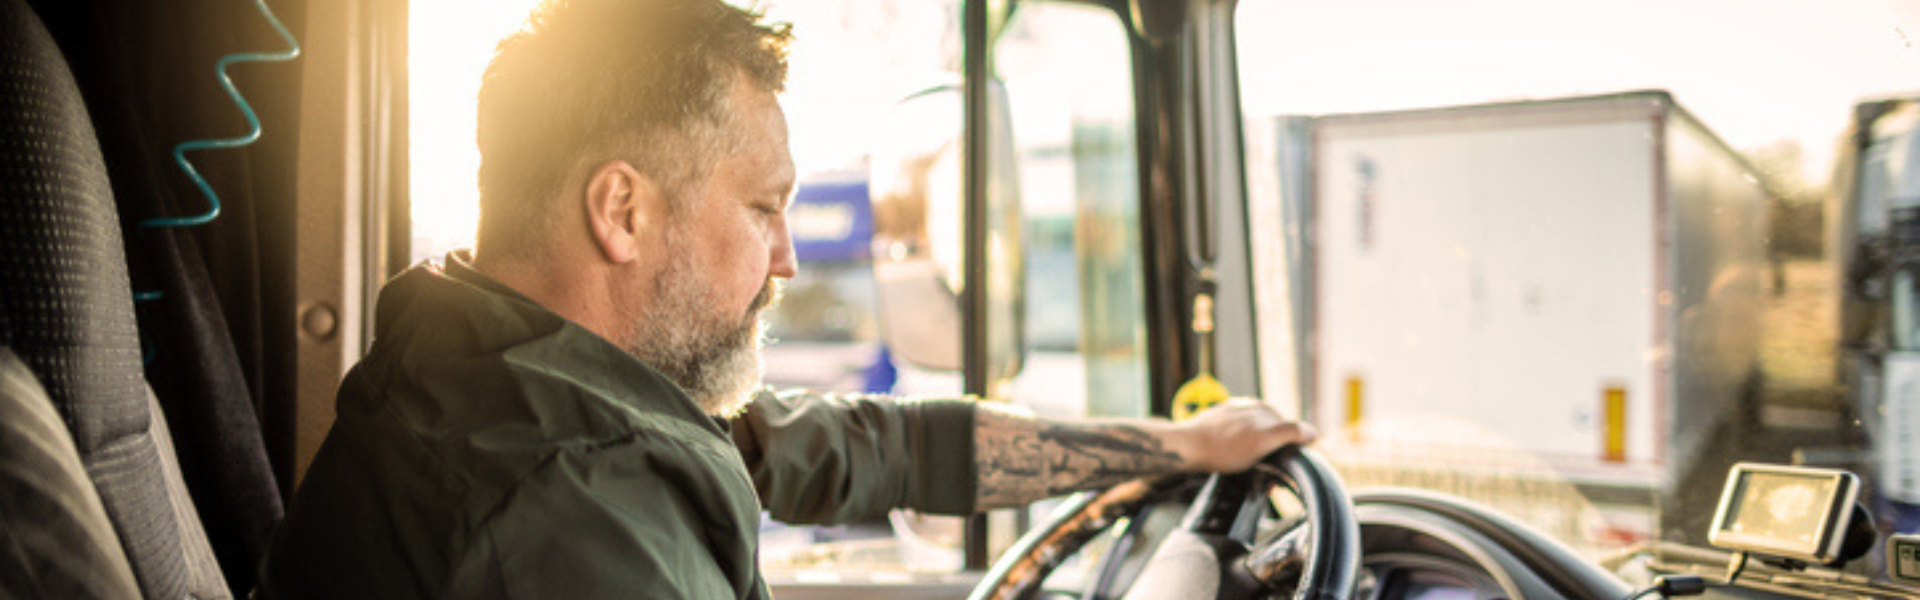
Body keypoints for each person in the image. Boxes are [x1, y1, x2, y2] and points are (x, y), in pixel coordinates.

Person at [257, 0, 1316, 597]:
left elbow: (866, 445)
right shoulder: (551, 519)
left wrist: (1173, 451)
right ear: (621, 211)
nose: (788, 260)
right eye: (765, 208)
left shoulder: (527, 382)